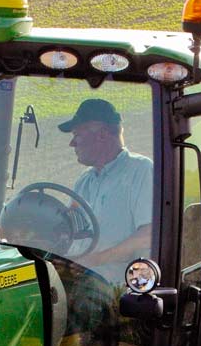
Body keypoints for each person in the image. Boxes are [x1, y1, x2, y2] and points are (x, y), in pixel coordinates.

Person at [60, 98, 153, 284]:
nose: (72, 143)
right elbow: (68, 230)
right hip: (80, 284)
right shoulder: (84, 182)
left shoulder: (141, 170)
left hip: (119, 290)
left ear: (102, 135)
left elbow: (149, 235)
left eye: (77, 135)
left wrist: (92, 262)